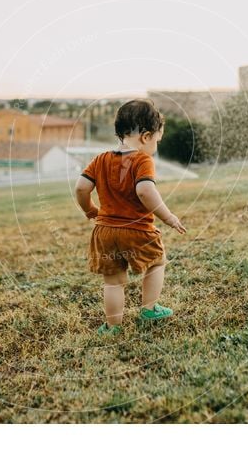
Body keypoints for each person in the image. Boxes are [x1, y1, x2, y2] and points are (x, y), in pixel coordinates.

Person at [75, 99, 186, 335]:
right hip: (137, 229)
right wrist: (168, 217)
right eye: (157, 139)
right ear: (145, 137)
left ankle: (113, 327)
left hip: (104, 231)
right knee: (157, 262)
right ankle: (149, 308)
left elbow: (81, 188)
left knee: (113, 281)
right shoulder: (142, 159)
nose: (156, 145)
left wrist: (89, 210)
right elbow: (145, 191)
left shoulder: (100, 159)